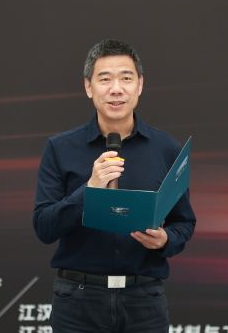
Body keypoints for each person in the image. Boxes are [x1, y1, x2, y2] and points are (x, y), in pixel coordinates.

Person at [33, 39, 196, 333]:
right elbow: (44, 227)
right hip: (78, 301)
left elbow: (184, 223)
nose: (116, 89)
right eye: (105, 79)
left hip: (144, 299)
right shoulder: (60, 148)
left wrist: (165, 240)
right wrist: (90, 188)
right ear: (88, 87)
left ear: (140, 85)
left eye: (126, 78)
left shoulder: (166, 149)